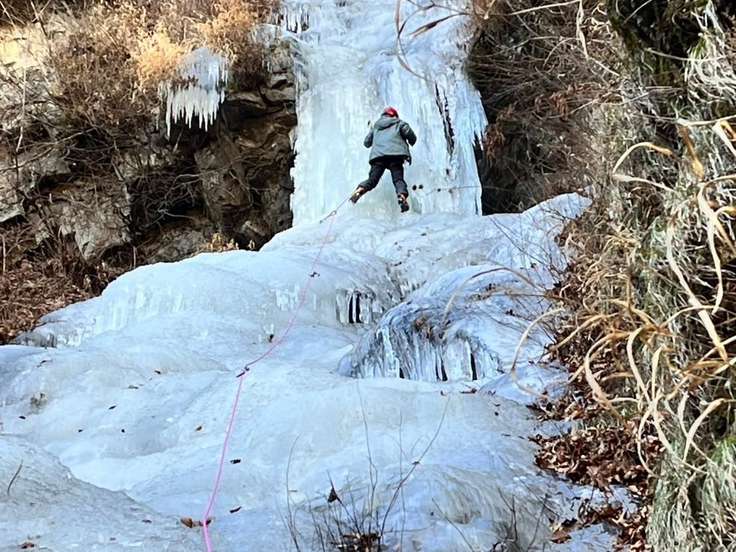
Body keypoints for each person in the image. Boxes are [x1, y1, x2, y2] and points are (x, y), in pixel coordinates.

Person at [351, 106, 417, 213]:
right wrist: (412, 141)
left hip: (378, 157)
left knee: (372, 180)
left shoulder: (376, 126)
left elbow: (366, 143)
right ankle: (401, 195)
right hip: (395, 156)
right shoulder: (399, 123)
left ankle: (360, 189)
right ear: (394, 115)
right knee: (398, 180)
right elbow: (409, 134)